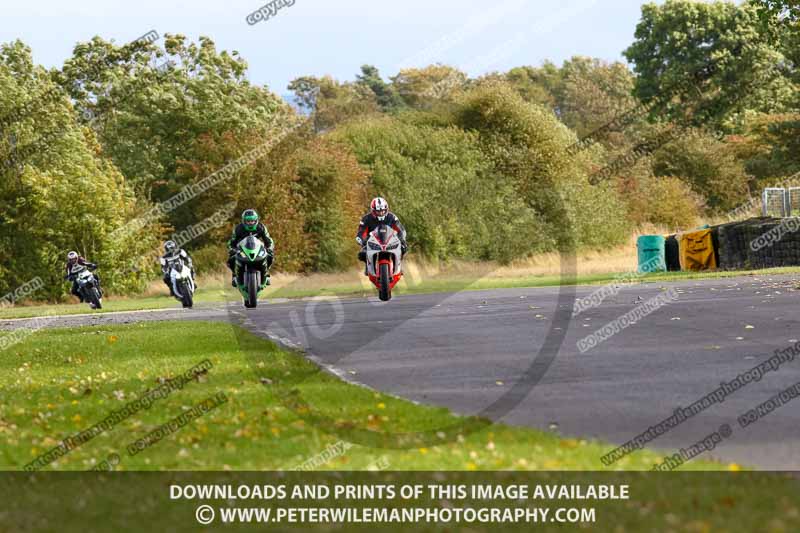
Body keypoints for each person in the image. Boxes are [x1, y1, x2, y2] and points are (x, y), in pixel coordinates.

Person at [355, 197, 407, 272]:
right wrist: (362, 241)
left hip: (390, 241)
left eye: (383, 210)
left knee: (403, 248)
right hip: (372, 242)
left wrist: (402, 239)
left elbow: (401, 230)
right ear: (373, 211)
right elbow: (360, 233)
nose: (381, 213)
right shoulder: (366, 219)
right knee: (361, 254)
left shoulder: (392, 217)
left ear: (386, 209)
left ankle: (398, 265)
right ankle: (368, 266)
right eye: (378, 211)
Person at [227, 209, 274, 288]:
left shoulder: (261, 227)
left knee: (270, 256)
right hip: (242, 250)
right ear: (243, 221)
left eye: (252, 221)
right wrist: (232, 249)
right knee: (231, 258)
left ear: (256, 220)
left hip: (257, 249)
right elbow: (231, 242)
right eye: (248, 221)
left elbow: (269, 240)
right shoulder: (238, 228)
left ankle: (267, 275)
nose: (250, 223)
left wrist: (269, 248)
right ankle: (234, 276)